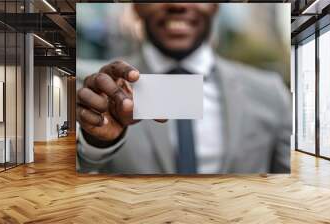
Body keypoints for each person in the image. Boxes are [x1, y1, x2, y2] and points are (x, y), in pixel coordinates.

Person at [76, 3, 291, 174]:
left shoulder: (270, 92)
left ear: (215, 6)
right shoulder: (96, 92)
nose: (178, 4)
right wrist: (97, 142)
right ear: (136, 6)